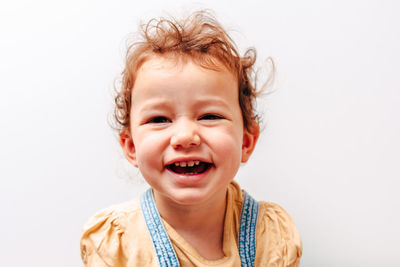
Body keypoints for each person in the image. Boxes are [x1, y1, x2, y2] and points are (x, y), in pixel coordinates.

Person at [80, 10, 302, 267]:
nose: (185, 137)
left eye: (209, 116)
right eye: (159, 120)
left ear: (246, 142)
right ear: (131, 147)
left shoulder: (272, 236)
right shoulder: (118, 244)